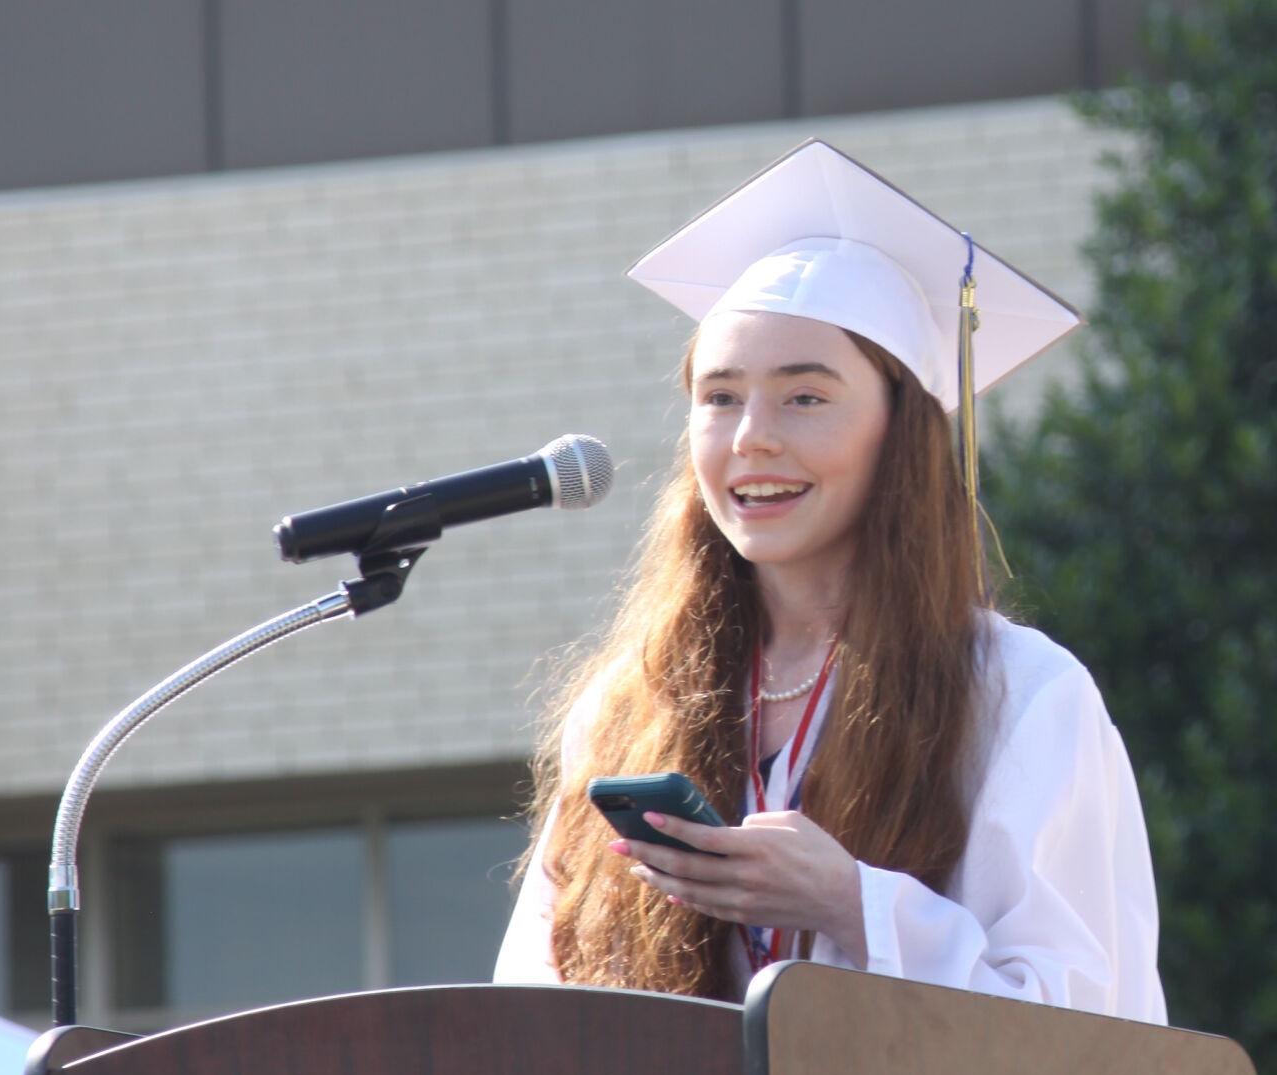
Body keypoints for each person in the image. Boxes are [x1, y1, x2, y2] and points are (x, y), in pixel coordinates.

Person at [494, 140, 1166, 1021]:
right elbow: (532, 1005)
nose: (751, 438)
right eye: (720, 396)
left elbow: (1083, 1027)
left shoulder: (1021, 698)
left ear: (902, 433)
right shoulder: (633, 709)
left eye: (805, 397)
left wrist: (852, 902)